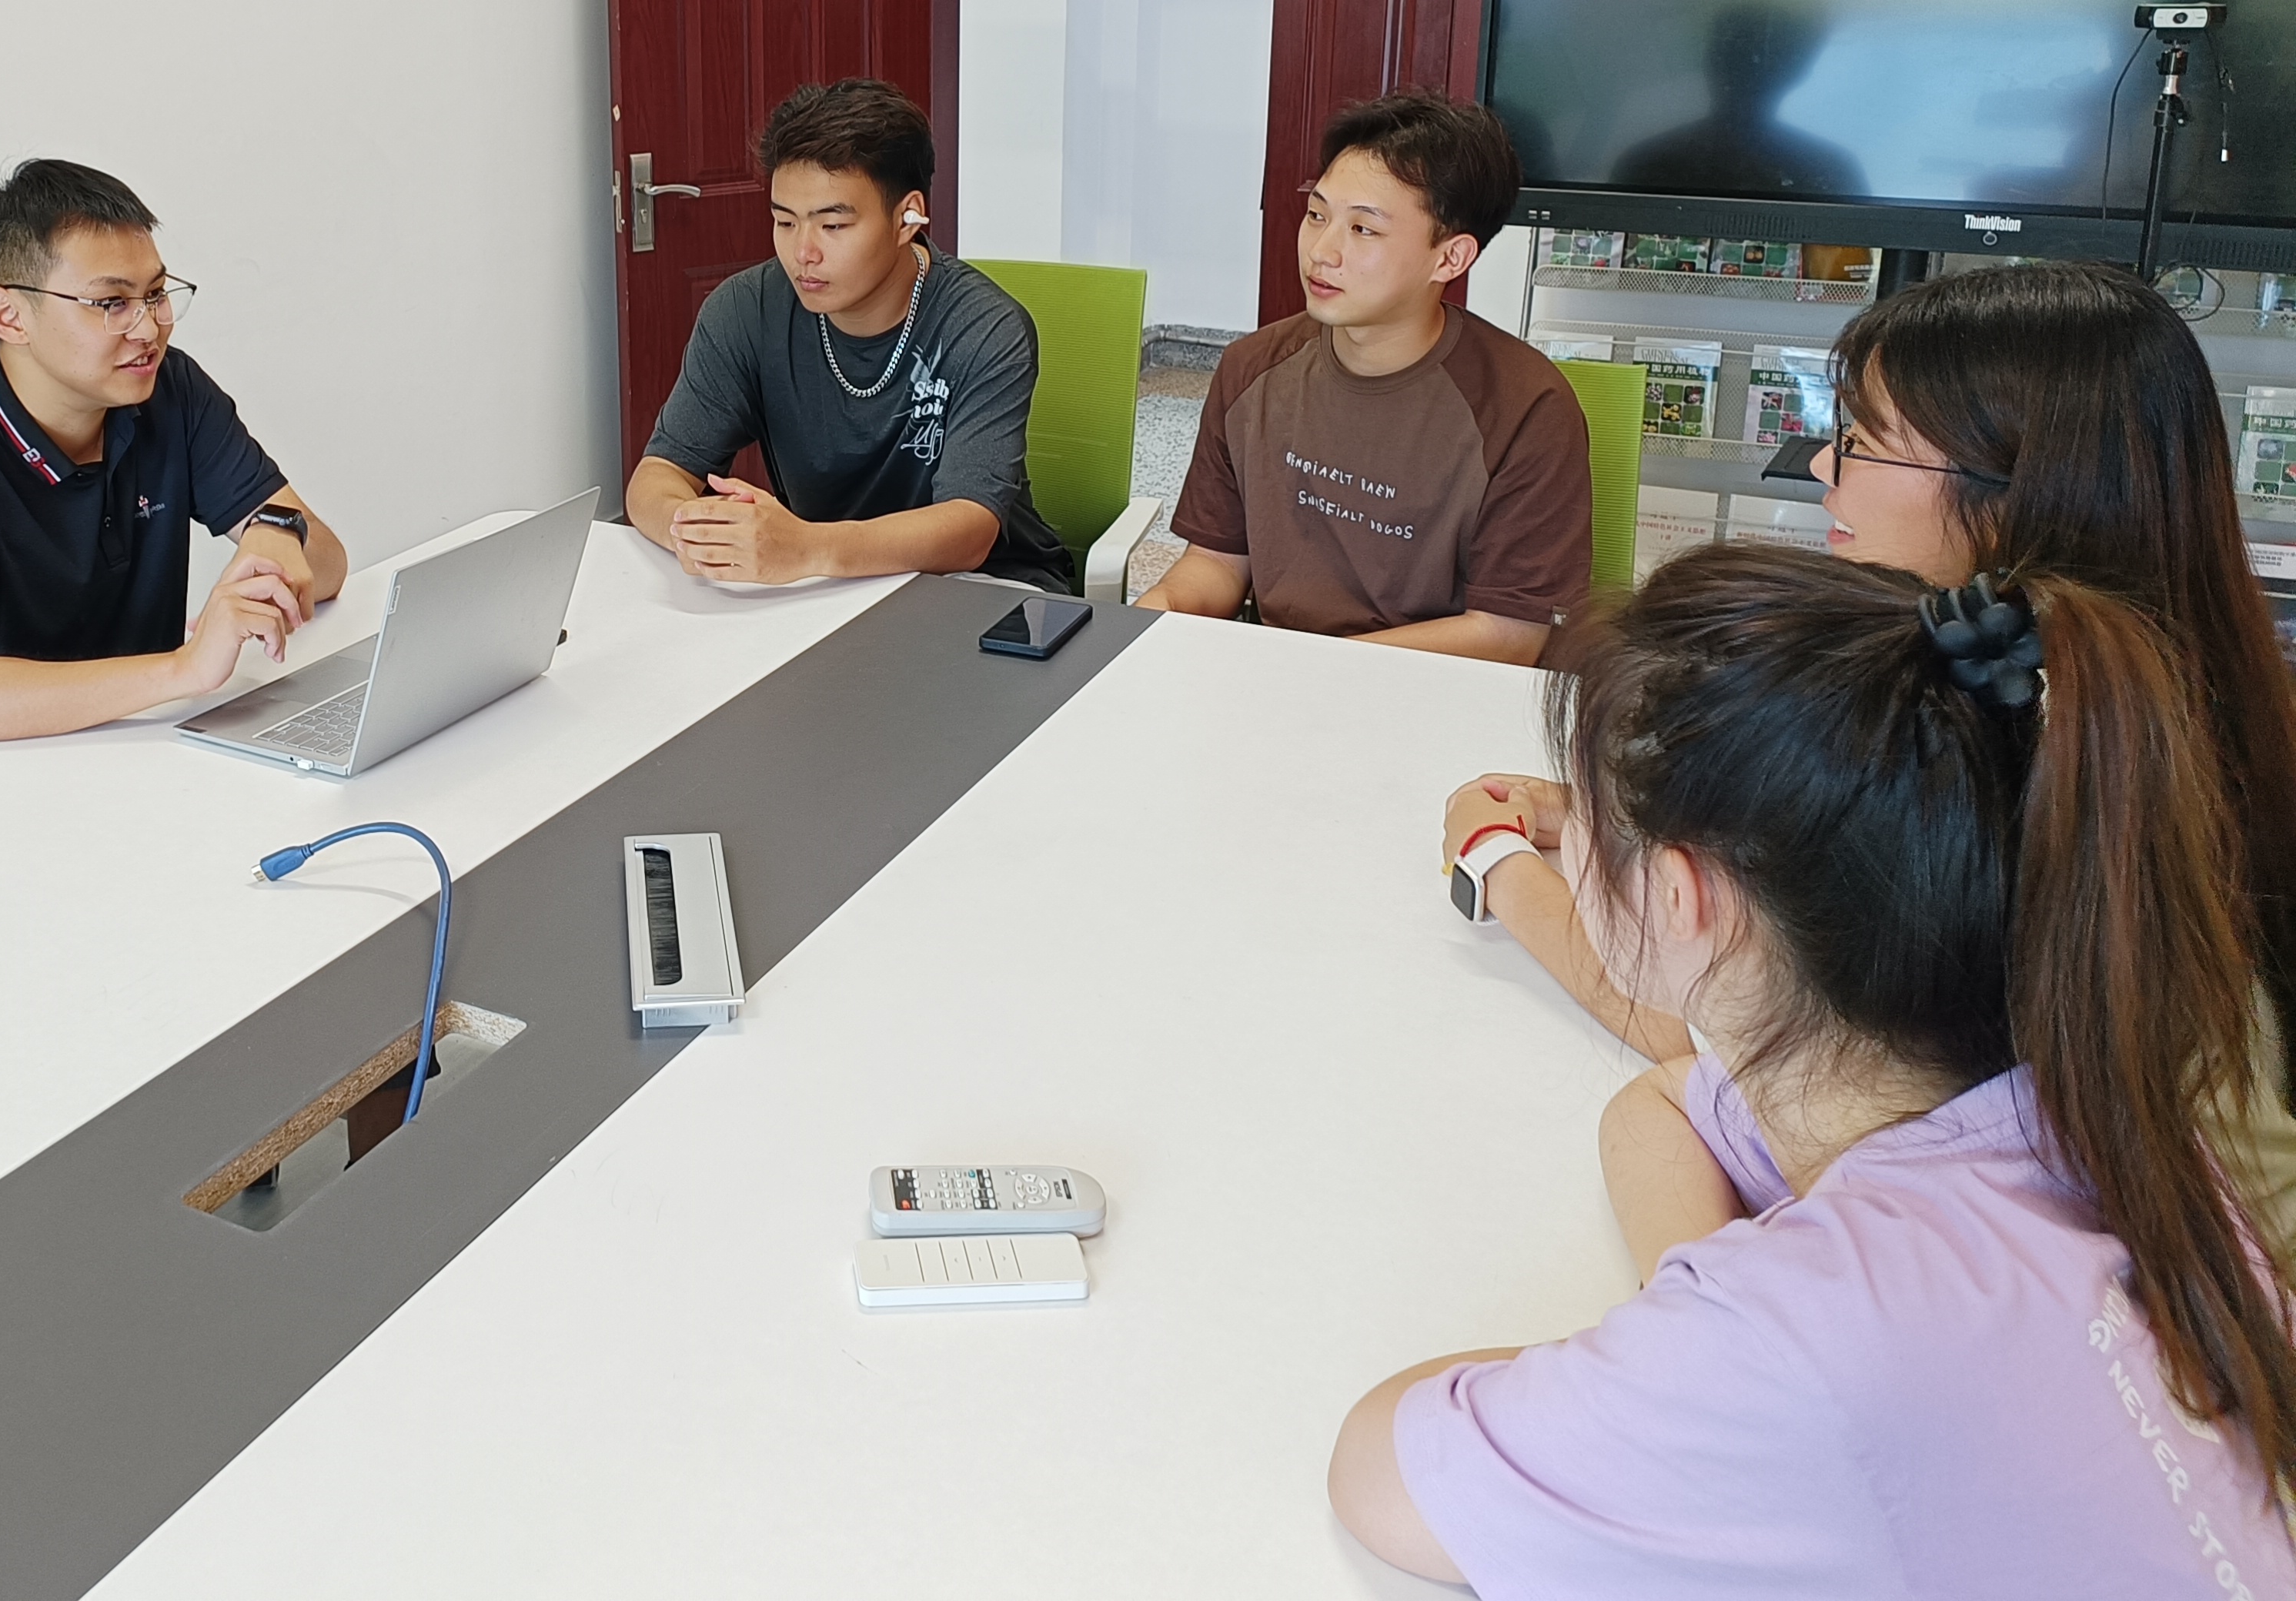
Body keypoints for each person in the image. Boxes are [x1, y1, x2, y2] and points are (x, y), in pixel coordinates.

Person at [1334, 546, 2296, 1595]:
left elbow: (1382, 1471)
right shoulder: (2085, 1119)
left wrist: (1709, 1362)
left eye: (1590, 834)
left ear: (1681, 900)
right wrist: (1702, 1311)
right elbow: (1663, 1105)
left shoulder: (1816, 1338)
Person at [1440, 260, 2296, 1250]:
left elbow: (1736, 1020)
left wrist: (1496, 861)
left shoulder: (2015, 749)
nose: (1820, 467)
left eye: (1862, 441)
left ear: (2010, 488)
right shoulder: (2148, 696)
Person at [0, 159, 350, 793]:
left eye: (155, 294)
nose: (149, 328)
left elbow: (328, 564)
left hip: (118, 755)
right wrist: (184, 668)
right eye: (111, 303)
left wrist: (276, 533)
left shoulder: (169, 391)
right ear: (9, 315)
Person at [1136, 90, 1589, 663]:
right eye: (1317, 215)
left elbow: (1509, 634)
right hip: (1276, 681)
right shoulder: (1252, 369)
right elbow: (1218, 562)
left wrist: (1317, 670)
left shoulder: (1528, 409)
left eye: (1363, 229)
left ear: (1450, 258)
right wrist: (1159, 609)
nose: (1322, 252)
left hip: (1429, 690)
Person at [628, 79, 1072, 593]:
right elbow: (657, 477)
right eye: (785, 223)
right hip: (824, 587)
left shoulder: (984, 326)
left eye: (833, 226)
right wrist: (700, 533)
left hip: (980, 585)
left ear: (907, 218)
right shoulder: (743, 311)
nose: (803, 254)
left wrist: (807, 548)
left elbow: (969, 530)